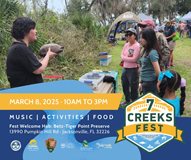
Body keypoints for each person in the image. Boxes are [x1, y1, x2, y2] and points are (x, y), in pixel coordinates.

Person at [6, 17, 57, 88]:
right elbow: (38, 69)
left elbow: (34, 66)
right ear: (25, 31)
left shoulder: (19, 47)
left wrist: (46, 57)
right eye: (33, 28)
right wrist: (47, 56)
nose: (36, 31)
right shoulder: (20, 49)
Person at [120, 28, 141, 107]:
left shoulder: (137, 46)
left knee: (133, 87)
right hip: (125, 68)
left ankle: (134, 102)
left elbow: (134, 59)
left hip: (133, 69)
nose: (128, 36)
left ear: (135, 36)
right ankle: (127, 100)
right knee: (124, 84)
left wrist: (125, 58)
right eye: (126, 35)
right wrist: (127, 58)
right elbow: (121, 55)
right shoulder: (126, 44)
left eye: (130, 34)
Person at [139, 28, 161, 95]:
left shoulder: (152, 52)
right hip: (145, 82)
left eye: (142, 37)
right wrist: (141, 82)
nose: (140, 40)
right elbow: (143, 67)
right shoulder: (145, 50)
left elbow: (158, 72)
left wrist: (158, 84)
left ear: (148, 39)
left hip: (150, 84)